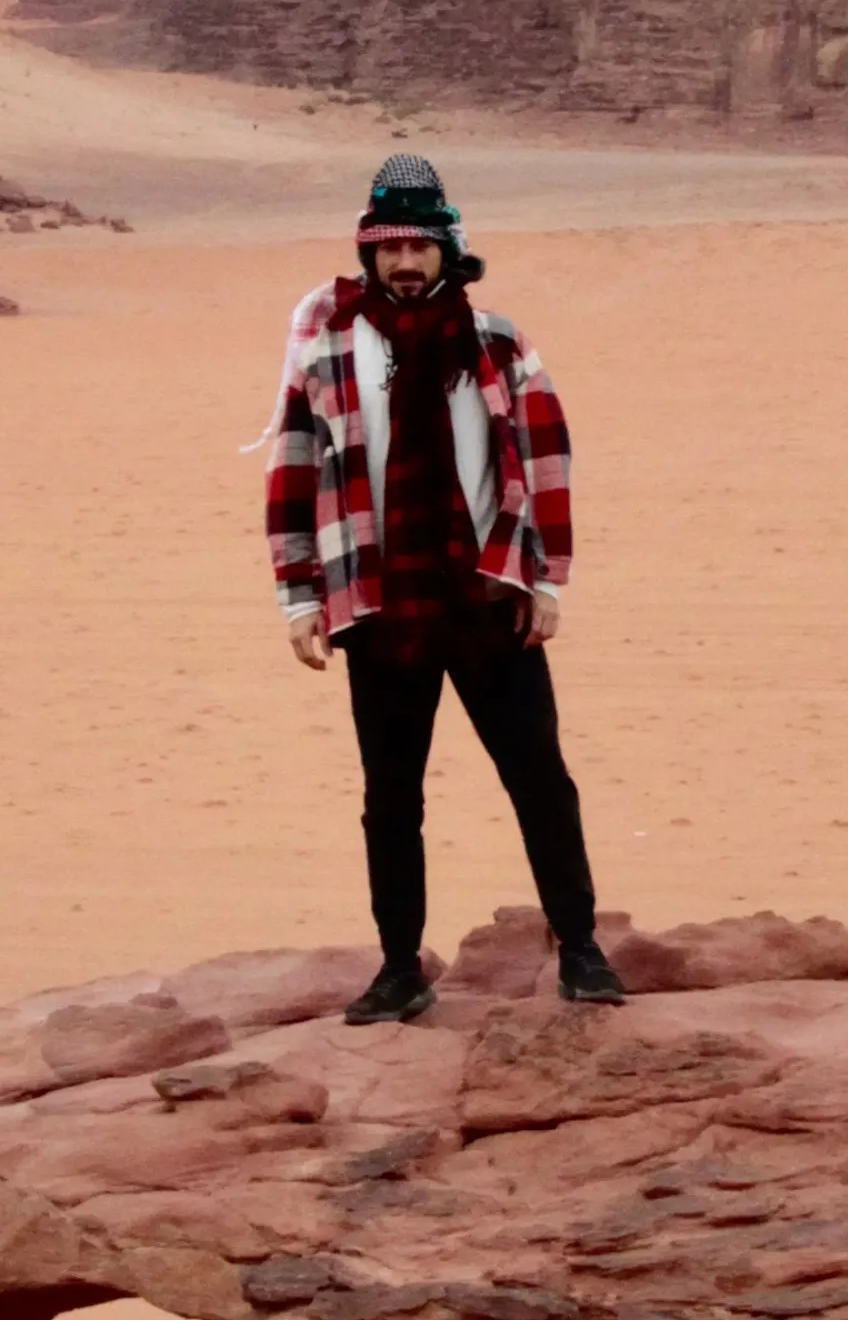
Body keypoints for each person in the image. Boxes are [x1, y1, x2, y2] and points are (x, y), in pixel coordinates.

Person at [263, 150, 623, 1021]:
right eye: (387, 249)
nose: (404, 264)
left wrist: (548, 581)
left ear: (446, 250)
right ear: (369, 255)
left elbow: (547, 463)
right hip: (379, 601)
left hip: (486, 592)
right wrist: (300, 595)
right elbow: (295, 467)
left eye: (419, 247)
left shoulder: (498, 344)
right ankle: (398, 968)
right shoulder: (329, 347)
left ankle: (580, 948)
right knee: (391, 797)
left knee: (539, 776)